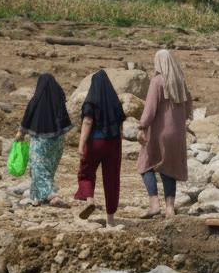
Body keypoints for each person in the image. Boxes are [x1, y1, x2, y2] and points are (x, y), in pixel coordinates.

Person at [137, 51, 193, 219]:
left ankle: (154, 205)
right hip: (177, 133)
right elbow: (188, 108)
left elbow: (150, 108)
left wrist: (142, 126)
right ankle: (170, 208)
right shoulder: (180, 81)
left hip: (159, 132)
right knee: (169, 168)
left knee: (145, 164)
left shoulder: (157, 81)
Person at [75, 70, 125, 227]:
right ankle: (110, 219)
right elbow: (120, 126)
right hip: (113, 143)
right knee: (112, 180)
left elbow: (88, 122)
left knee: (86, 172)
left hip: (95, 142)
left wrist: (81, 144)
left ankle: (89, 199)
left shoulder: (91, 100)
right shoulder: (115, 101)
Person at [16, 73, 72, 207]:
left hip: (40, 139)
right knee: (49, 169)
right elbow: (64, 119)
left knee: (38, 168)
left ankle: (52, 194)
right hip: (57, 140)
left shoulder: (37, 100)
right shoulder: (59, 98)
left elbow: (28, 116)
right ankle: (37, 197)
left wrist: (21, 133)